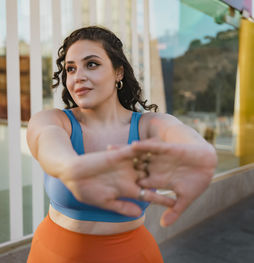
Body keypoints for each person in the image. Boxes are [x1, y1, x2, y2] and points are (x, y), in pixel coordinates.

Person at [26, 26, 217, 263]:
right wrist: (70, 168)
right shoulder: (53, 120)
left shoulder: (149, 125)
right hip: (54, 255)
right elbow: (48, 142)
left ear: (118, 72)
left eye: (92, 64)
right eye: (71, 68)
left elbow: (180, 134)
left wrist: (201, 153)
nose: (78, 77)